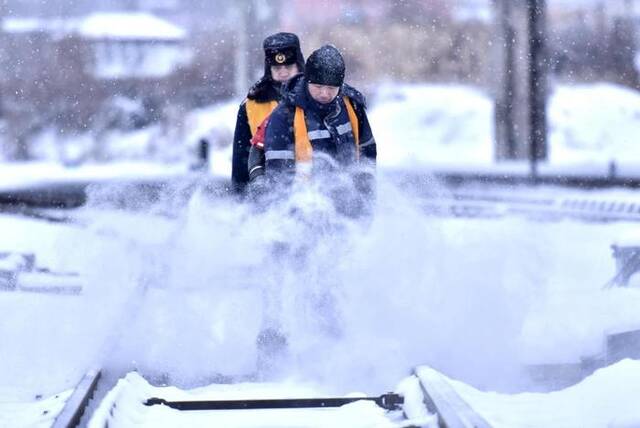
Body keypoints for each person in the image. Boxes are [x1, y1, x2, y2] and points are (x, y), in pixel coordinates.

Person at [261, 44, 377, 213]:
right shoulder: (284, 116)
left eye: (331, 88)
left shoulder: (352, 105)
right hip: (304, 206)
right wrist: (288, 212)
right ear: (307, 81)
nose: (324, 93)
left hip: (349, 204)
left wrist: (366, 195)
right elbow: (277, 173)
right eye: (318, 87)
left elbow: (367, 151)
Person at [230, 32, 305, 194]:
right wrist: (240, 200)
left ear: (299, 65)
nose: (283, 72)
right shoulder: (251, 105)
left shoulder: (318, 97)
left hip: (312, 189)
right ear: (268, 68)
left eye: (289, 67)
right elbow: (241, 160)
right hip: (266, 192)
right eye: (277, 67)